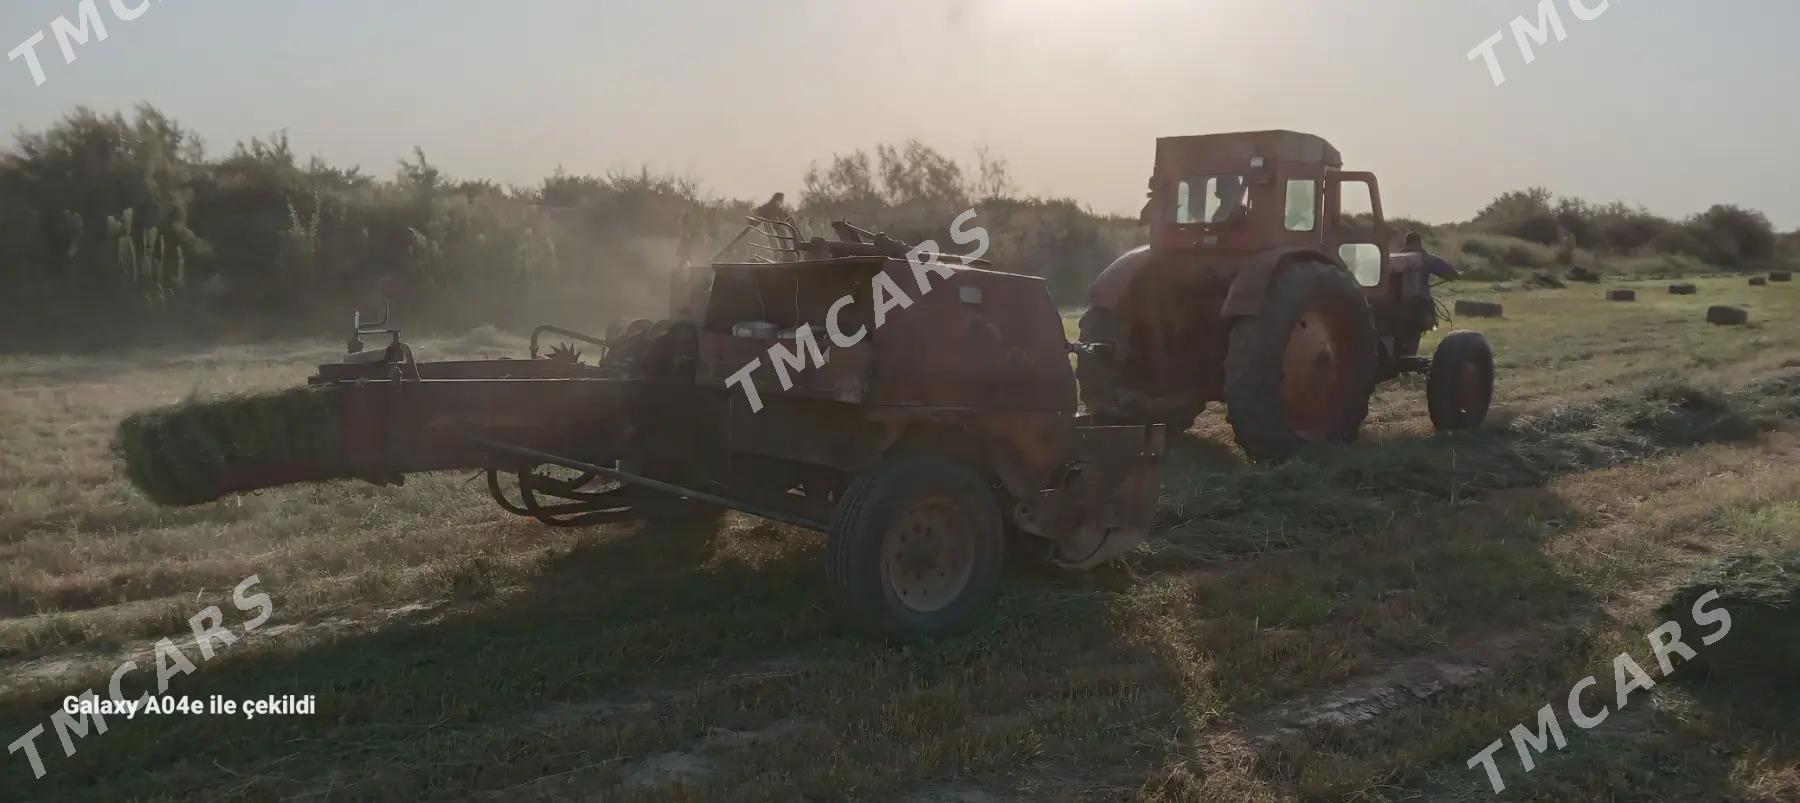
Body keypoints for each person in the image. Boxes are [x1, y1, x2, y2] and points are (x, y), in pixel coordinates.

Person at [1395, 231, 1460, 356]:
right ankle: (1407, 363)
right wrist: (1459, 274)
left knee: (1397, 333)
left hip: (1392, 304)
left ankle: (1398, 359)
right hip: (1418, 304)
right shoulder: (1425, 258)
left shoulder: (1394, 257)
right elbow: (1450, 273)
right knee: (1413, 334)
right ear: (1419, 242)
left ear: (1406, 242)